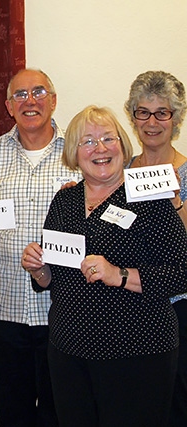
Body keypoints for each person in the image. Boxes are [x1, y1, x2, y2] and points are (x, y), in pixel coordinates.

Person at [22, 105, 187, 426]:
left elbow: (181, 273)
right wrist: (39, 269)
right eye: (87, 141)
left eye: (108, 139)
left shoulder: (149, 199)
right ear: (74, 152)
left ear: (123, 146)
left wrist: (119, 275)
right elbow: (56, 276)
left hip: (138, 355)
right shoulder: (65, 201)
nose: (99, 148)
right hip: (69, 353)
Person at [0, 68, 81, 427]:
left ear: (54, 100)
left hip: (63, 308)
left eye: (40, 92)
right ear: (8, 106)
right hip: (3, 307)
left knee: (58, 412)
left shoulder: (79, 152)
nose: (31, 101)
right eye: (21, 95)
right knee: (11, 413)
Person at [124, 70, 187, 427]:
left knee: (175, 405)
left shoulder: (186, 172)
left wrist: (176, 200)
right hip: (132, 304)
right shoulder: (123, 169)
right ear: (132, 117)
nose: (152, 122)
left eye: (162, 112)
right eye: (143, 112)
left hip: (178, 308)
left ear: (176, 118)